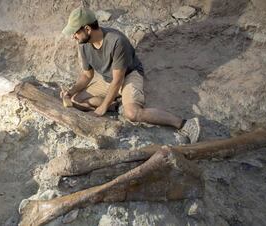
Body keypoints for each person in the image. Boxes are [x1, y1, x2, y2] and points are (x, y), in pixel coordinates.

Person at [61, 7, 201, 143]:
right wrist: (70, 92)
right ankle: (116, 106)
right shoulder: (83, 44)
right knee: (75, 100)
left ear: (87, 29)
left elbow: (118, 80)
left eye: (75, 32)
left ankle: (184, 123)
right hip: (108, 79)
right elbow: (87, 75)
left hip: (128, 75)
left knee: (132, 113)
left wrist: (102, 108)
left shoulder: (116, 41)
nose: (73, 36)